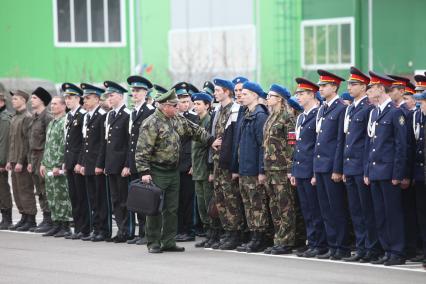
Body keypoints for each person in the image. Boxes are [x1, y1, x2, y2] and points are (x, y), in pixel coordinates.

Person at [135, 89, 214, 253]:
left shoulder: (177, 119)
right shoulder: (151, 123)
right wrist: (144, 172)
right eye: (174, 105)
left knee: (171, 208)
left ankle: (169, 241)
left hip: (173, 171)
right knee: (155, 208)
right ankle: (154, 242)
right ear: (164, 106)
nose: (177, 107)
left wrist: (211, 140)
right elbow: (142, 150)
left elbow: (195, 130)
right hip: (156, 171)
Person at [364, 71, 406, 266]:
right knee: (379, 213)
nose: (368, 91)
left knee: (392, 213)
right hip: (375, 171)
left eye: (371, 88)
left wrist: (398, 174)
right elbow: (369, 144)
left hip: (389, 172)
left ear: (381, 88)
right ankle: (387, 249)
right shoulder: (374, 112)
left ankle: (397, 250)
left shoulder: (395, 112)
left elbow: (401, 146)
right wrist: (367, 171)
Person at [341, 67, 380, 262]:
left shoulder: (368, 109)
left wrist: (366, 168)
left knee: (366, 210)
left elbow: (367, 142)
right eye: (349, 83)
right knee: (355, 210)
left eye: (353, 84)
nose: (349, 86)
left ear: (364, 87)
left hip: (361, 166)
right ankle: (361, 246)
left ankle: (371, 248)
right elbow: (346, 140)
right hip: (350, 166)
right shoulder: (351, 108)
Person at [314, 70, 350, 260]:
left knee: (336, 208)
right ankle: (332, 244)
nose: (320, 89)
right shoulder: (323, 108)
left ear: (334, 87)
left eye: (324, 86)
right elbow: (319, 140)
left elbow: (339, 141)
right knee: (325, 209)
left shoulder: (341, 108)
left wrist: (337, 168)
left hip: (331, 166)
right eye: (320, 86)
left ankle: (341, 245)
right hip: (320, 165)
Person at [291, 78, 328, 258]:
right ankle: (312, 241)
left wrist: (314, 172)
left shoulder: (318, 114)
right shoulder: (301, 116)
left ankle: (320, 243)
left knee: (315, 209)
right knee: (306, 209)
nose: (298, 97)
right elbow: (297, 145)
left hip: (311, 169)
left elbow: (317, 147)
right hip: (300, 168)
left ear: (312, 94)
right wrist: (293, 170)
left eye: (302, 93)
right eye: (297, 93)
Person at [233, 81, 270, 253]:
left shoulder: (259, 115)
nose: (241, 95)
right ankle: (253, 235)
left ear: (255, 95)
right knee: (249, 204)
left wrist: (261, 170)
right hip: (245, 168)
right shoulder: (247, 114)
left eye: (245, 93)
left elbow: (263, 145)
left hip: (254, 170)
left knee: (257, 205)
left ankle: (260, 237)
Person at [210, 78, 244, 250]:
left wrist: (234, 164)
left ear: (227, 92)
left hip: (228, 161)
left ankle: (235, 232)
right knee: (221, 198)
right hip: (217, 161)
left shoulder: (236, 110)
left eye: (217, 90)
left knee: (232, 198)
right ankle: (227, 231)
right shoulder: (218, 110)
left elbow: (235, 139)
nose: (215, 93)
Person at [262, 84, 296, 255]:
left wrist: (290, 168)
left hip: (282, 168)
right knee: (274, 204)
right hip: (270, 168)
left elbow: (291, 144)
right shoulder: (270, 117)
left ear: (280, 99)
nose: (267, 98)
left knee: (285, 205)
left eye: (271, 96)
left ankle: (287, 240)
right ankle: (278, 238)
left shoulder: (287, 117)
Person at [78, 83, 111, 242]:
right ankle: (95, 228)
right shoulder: (87, 116)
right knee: (92, 199)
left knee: (100, 199)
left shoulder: (102, 115)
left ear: (97, 99)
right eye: (84, 98)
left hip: (97, 165)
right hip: (88, 164)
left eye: (88, 98)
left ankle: (103, 230)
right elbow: (85, 143)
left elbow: (102, 144)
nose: (85, 101)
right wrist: (82, 163)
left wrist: (99, 164)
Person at [125, 75, 155, 245]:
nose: (134, 93)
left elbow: (150, 141)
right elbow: (131, 141)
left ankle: (148, 232)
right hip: (135, 162)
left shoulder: (149, 111)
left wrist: (147, 166)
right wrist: (129, 163)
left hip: (145, 162)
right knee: (138, 198)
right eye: (133, 91)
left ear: (146, 92)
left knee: (146, 198)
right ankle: (141, 231)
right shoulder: (134, 112)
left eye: (138, 91)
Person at [102, 81, 131, 243]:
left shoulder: (127, 115)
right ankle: (120, 229)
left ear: (120, 96)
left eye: (111, 95)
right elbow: (107, 143)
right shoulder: (110, 115)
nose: (109, 98)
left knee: (124, 199)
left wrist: (127, 164)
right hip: (112, 165)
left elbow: (128, 143)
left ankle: (126, 230)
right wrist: (106, 164)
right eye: (108, 96)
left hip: (121, 166)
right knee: (115, 199)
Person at [40, 96, 73, 237]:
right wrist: (43, 163)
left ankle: (65, 225)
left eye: (55, 104)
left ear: (63, 106)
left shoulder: (64, 121)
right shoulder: (52, 123)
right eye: (51, 104)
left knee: (62, 196)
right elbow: (47, 145)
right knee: (52, 196)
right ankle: (56, 223)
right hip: (48, 165)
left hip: (57, 166)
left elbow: (63, 145)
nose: (52, 106)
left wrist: (58, 164)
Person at [191, 92, 220, 248]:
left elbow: (210, 147)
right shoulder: (197, 121)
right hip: (197, 169)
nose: (195, 106)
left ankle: (214, 234)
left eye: (199, 104)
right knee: (201, 204)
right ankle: (208, 233)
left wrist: (210, 170)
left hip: (205, 168)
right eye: (194, 104)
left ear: (207, 105)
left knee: (209, 203)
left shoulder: (209, 121)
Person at [6, 90, 36, 231]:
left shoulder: (27, 117)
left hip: (22, 162)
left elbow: (26, 142)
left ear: (24, 100)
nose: (13, 101)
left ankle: (31, 219)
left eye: (16, 99)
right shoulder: (14, 117)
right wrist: (9, 160)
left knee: (25, 190)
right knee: (17, 191)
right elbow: (12, 142)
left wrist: (20, 161)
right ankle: (24, 217)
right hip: (13, 160)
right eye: (13, 99)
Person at [172, 82, 199, 242]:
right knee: (176, 200)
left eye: (187, 100)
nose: (185, 104)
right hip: (174, 165)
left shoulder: (194, 118)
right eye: (181, 101)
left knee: (188, 200)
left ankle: (188, 230)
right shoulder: (172, 118)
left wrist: (193, 165)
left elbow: (196, 143)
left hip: (188, 165)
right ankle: (178, 229)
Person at [63, 83, 90, 239]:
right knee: (73, 196)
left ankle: (84, 228)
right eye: (66, 98)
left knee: (81, 197)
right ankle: (78, 227)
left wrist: (80, 162)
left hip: (78, 163)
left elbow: (84, 142)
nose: (68, 100)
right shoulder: (69, 116)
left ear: (79, 99)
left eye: (71, 97)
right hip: (70, 162)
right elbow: (68, 143)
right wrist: (65, 161)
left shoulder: (83, 115)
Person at [28, 87, 53, 233]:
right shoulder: (34, 118)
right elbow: (30, 142)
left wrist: (45, 161)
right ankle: (45, 217)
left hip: (43, 156)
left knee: (45, 188)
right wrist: (31, 161)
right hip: (34, 156)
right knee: (39, 189)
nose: (32, 100)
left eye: (35, 98)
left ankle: (50, 219)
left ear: (42, 100)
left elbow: (49, 141)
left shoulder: (47, 117)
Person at [412, 91, 426, 265]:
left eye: (423, 102)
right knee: (422, 214)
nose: (420, 105)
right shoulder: (421, 120)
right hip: (421, 174)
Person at [0, 93, 12, 230]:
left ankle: (7, 218)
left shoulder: (4, 119)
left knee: (2, 189)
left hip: (1, 161)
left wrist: (2, 162)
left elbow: (4, 142)